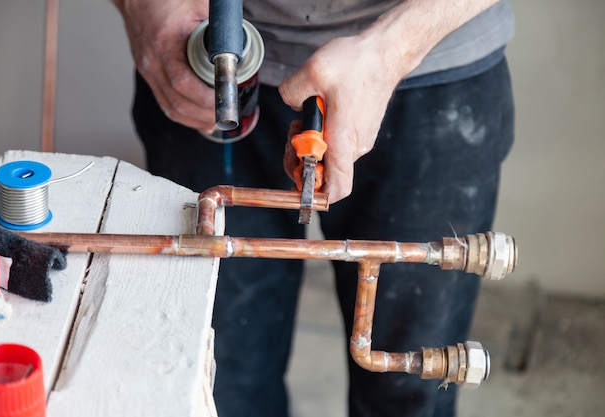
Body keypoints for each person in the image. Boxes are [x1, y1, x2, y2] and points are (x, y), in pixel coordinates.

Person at [112, 0, 515, 416]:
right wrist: (145, 7)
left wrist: (391, 48)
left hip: (432, 67)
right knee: (219, 380)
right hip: (206, 62)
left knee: (407, 389)